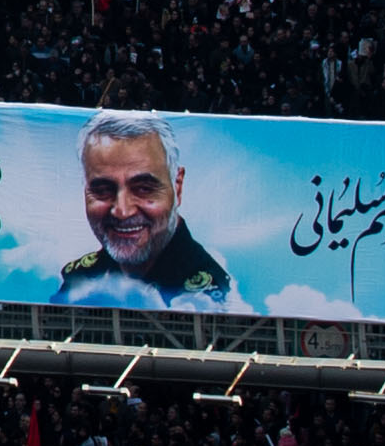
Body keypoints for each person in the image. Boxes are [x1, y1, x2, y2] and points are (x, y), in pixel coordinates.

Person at [52, 110, 251, 313]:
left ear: (177, 186)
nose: (122, 211)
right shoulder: (79, 278)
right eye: (103, 190)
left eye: (144, 188)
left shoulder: (209, 295)